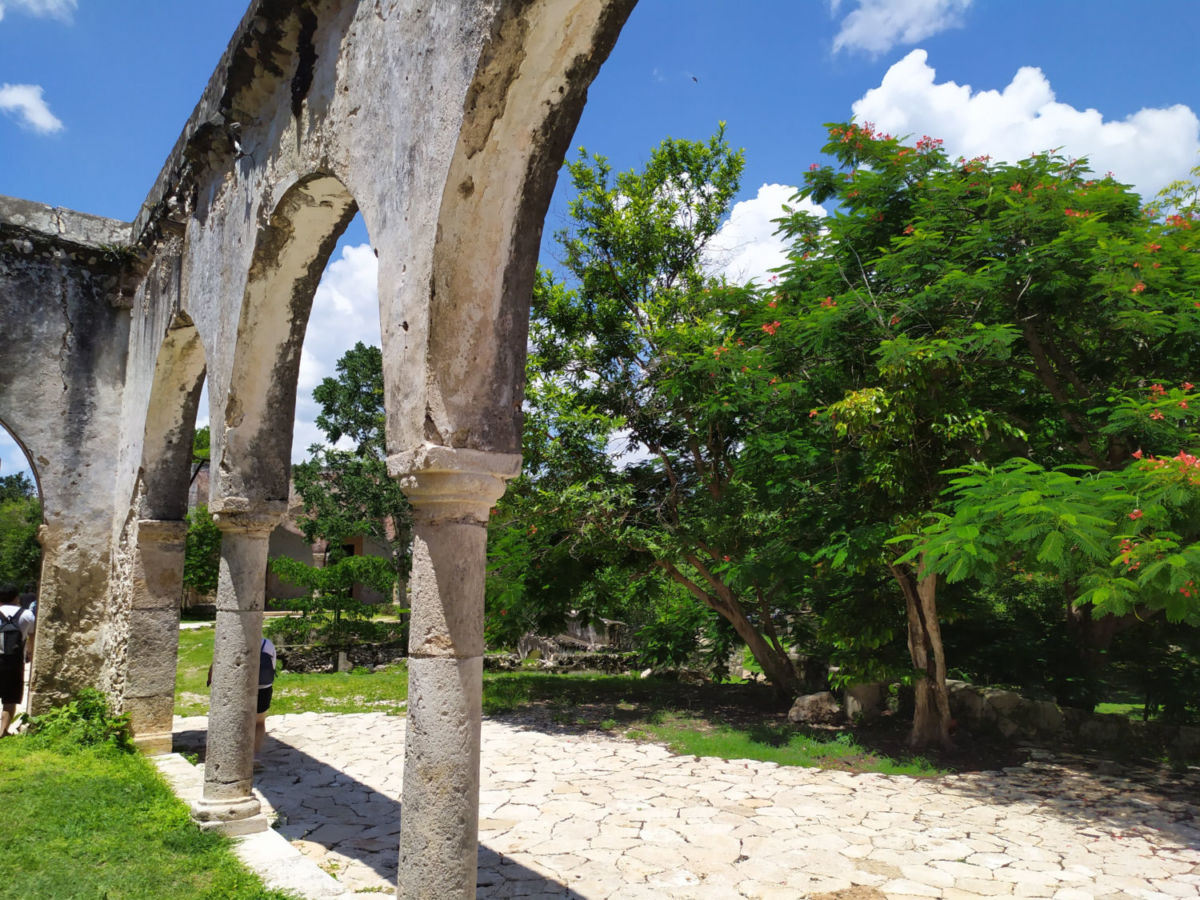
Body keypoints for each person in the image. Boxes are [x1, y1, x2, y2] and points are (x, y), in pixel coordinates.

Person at [0, 584, 36, 737]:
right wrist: (29, 654)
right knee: (10, 698)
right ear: (16, 598)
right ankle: (2, 732)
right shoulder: (27, 614)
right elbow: (31, 639)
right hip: (13, 662)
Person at [255, 635, 276, 758]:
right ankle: (255, 753)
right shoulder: (267, 644)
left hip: (242, 687)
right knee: (259, 722)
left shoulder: (234, 641)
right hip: (264, 687)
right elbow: (273, 666)